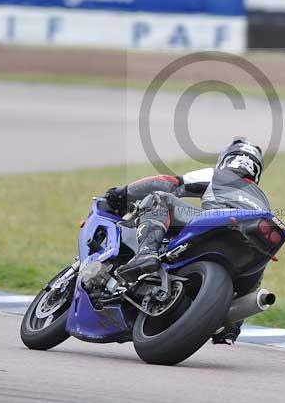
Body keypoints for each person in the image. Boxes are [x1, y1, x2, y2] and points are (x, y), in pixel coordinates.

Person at [103, 138, 269, 344]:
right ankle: (233, 324)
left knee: (159, 199)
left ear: (226, 160)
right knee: (260, 257)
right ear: (256, 171)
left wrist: (122, 194)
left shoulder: (219, 174)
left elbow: (172, 183)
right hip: (247, 244)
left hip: (215, 224)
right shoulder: (262, 200)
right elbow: (256, 272)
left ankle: (146, 253)